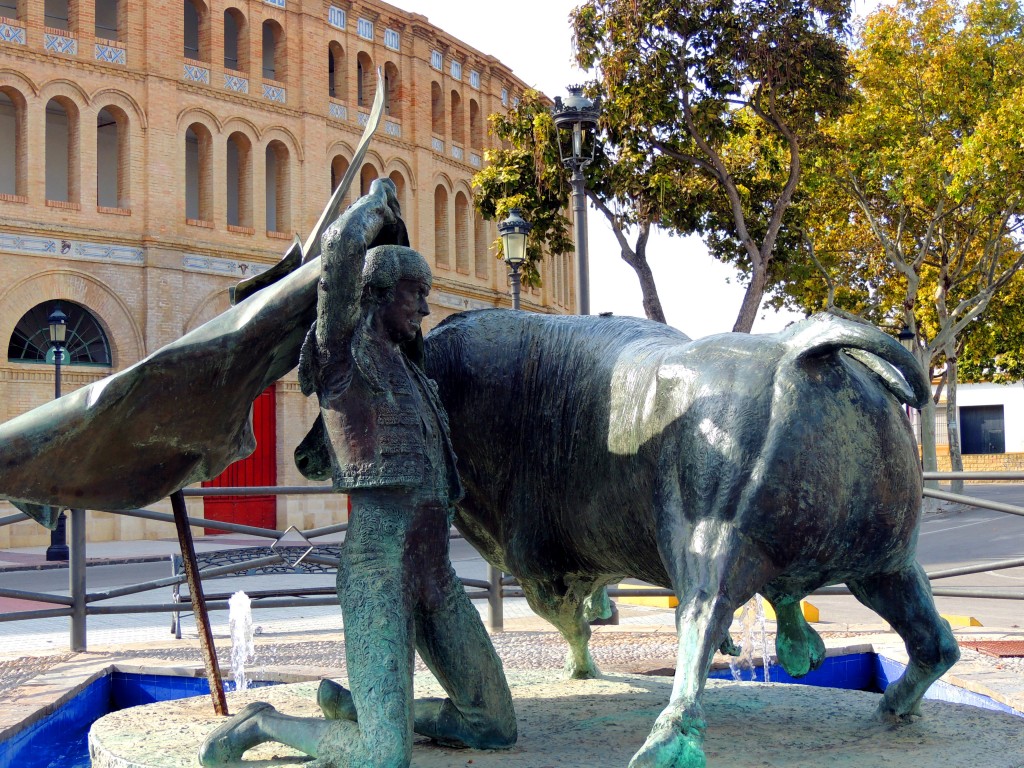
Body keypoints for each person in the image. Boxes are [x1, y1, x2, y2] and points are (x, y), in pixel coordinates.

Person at [199, 179, 516, 767]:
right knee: (383, 759)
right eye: (413, 294)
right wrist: (373, 206)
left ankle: (362, 712)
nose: (424, 308)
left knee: (493, 726)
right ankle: (263, 722)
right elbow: (341, 251)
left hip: (434, 575)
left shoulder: (410, 369)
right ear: (375, 295)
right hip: (379, 572)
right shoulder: (343, 355)